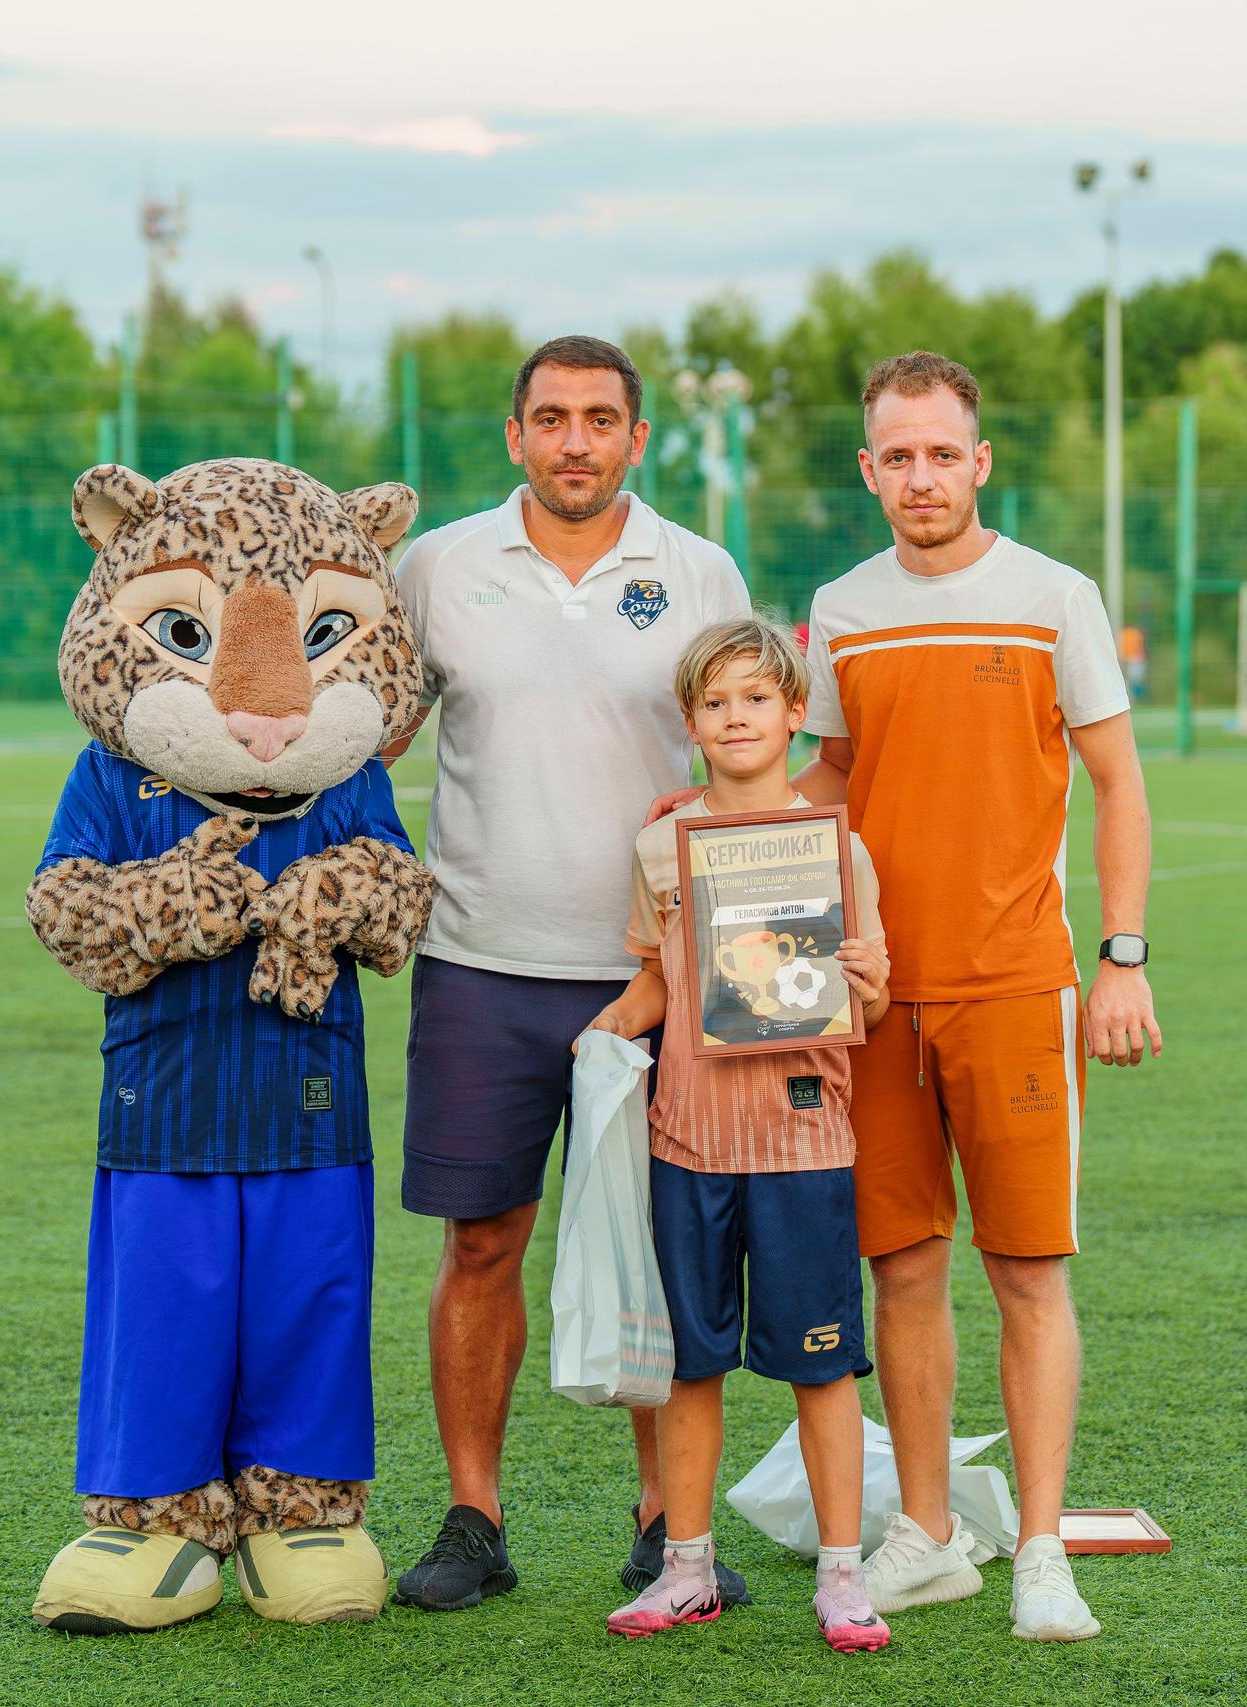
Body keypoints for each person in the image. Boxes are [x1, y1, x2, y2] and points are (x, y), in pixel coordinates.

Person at [382, 336, 754, 1613]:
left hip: (655, 975)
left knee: (659, 1247)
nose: (575, 441)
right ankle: (473, 1520)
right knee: (482, 1241)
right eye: (551, 418)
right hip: (479, 962)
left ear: (637, 438)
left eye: (600, 419)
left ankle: (667, 1526)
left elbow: (745, 759)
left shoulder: (699, 571)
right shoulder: (440, 567)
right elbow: (370, 737)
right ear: (515, 436)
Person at [792, 351, 1160, 1641]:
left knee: (1027, 1274)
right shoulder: (840, 608)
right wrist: (719, 833)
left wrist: (1122, 956)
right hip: (875, 995)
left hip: (1015, 989)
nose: (921, 477)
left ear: (980, 461)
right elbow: (832, 779)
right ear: (868, 469)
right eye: (897, 455)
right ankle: (929, 1535)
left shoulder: (1053, 596)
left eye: (942, 453)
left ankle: (1044, 1552)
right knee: (901, 1271)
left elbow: (1119, 783)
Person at [585, 618, 895, 1651]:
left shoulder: (837, 848)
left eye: (756, 698)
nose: (735, 718)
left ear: (795, 712)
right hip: (689, 1142)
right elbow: (655, 978)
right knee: (691, 1365)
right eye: (714, 702)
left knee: (821, 1368)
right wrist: (609, 1026)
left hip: (804, 1146)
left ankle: (843, 1577)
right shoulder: (659, 843)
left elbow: (870, 997)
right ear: (690, 722)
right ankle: (687, 1568)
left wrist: (871, 983)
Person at [1119, 624, 1149, 701]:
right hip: (1130, 659)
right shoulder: (1130, 633)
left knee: (1135, 679)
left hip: (1133, 659)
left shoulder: (1131, 633)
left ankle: (1135, 697)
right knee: (1132, 679)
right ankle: (1133, 697)